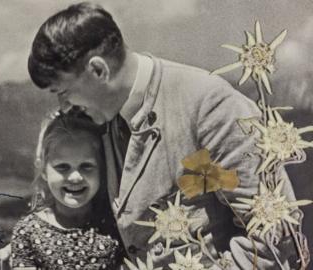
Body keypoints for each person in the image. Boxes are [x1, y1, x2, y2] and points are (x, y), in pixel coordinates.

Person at [24, 2, 301, 269]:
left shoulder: (209, 105)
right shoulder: (96, 116)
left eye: (63, 92)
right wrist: (32, 245)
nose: (64, 106)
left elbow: (274, 234)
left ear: (98, 70)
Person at [8, 110, 124, 270]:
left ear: (102, 170)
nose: (75, 177)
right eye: (62, 167)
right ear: (43, 171)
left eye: (86, 166)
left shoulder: (115, 225)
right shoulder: (28, 232)